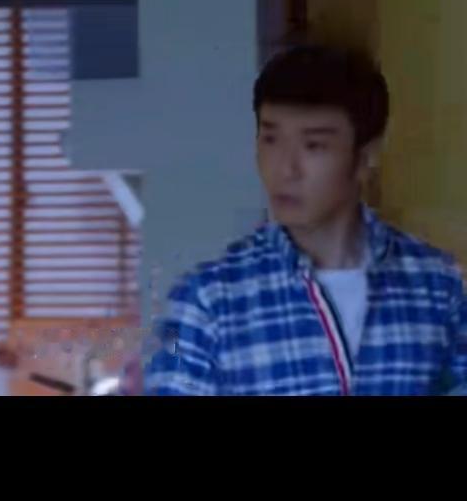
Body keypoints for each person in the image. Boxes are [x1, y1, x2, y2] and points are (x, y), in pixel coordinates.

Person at [146, 44, 467, 395]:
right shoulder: (204, 299)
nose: (285, 169)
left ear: (366, 156)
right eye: (270, 139)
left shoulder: (438, 285)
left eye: (313, 146)